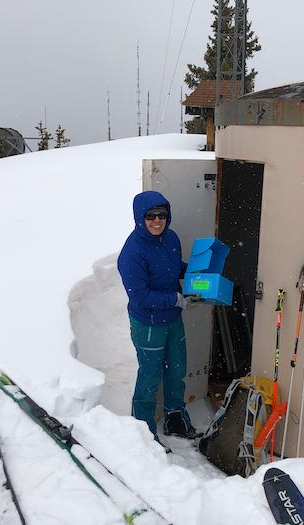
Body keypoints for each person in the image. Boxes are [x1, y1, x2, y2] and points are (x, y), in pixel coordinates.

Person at [117, 190, 200, 445]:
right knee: (150, 377)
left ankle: (175, 419)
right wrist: (176, 299)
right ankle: (143, 434)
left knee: (176, 370)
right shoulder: (132, 253)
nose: (157, 221)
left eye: (161, 215)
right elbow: (140, 297)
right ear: (139, 218)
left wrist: (198, 272)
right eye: (150, 215)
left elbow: (175, 265)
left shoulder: (171, 238)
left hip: (173, 319)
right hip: (148, 323)